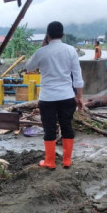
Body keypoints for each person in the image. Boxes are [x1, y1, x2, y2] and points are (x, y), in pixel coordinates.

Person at [25, 21, 84, 170]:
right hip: (67, 96)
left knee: (49, 129)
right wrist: (79, 97)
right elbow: (77, 77)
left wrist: (44, 45)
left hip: (47, 98)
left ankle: (50, 161)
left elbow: (28, 67)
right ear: (63, 34)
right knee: (67, 127)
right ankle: (67, 161)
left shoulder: (42, 51)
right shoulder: (71, 50)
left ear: (48, 35)